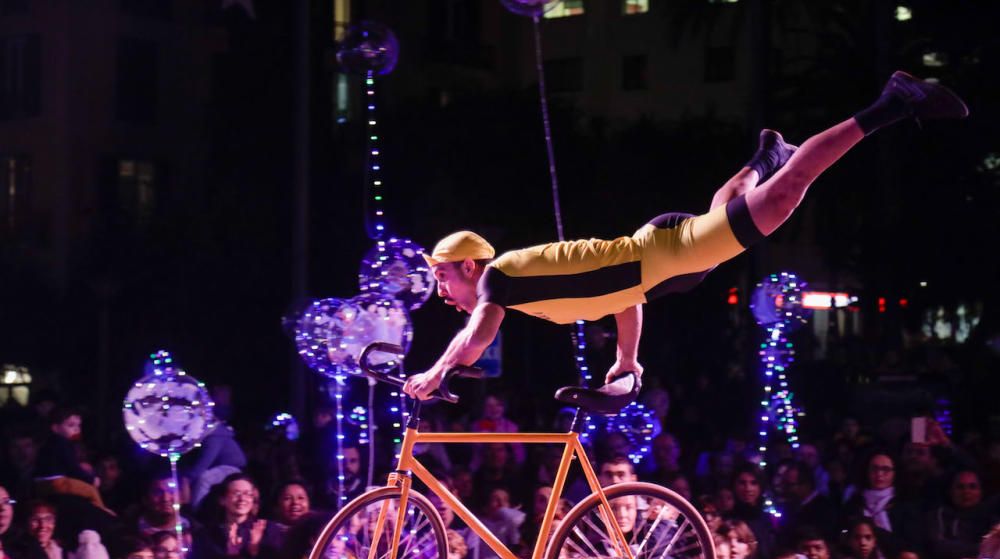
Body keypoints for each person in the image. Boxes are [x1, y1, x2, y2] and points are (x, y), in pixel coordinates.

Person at [403, 71, 968, 401]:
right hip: (666, 264)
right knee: (725, 216)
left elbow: (474, 343)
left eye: (442, 275)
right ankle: (763, 157)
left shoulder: (499, 281)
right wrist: (627, 361)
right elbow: (626, 297)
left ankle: (896, 101)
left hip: (666, 252)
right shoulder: (529, 294)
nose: (440, 289)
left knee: (792, 188)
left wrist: (435, 371)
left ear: (471, 267)